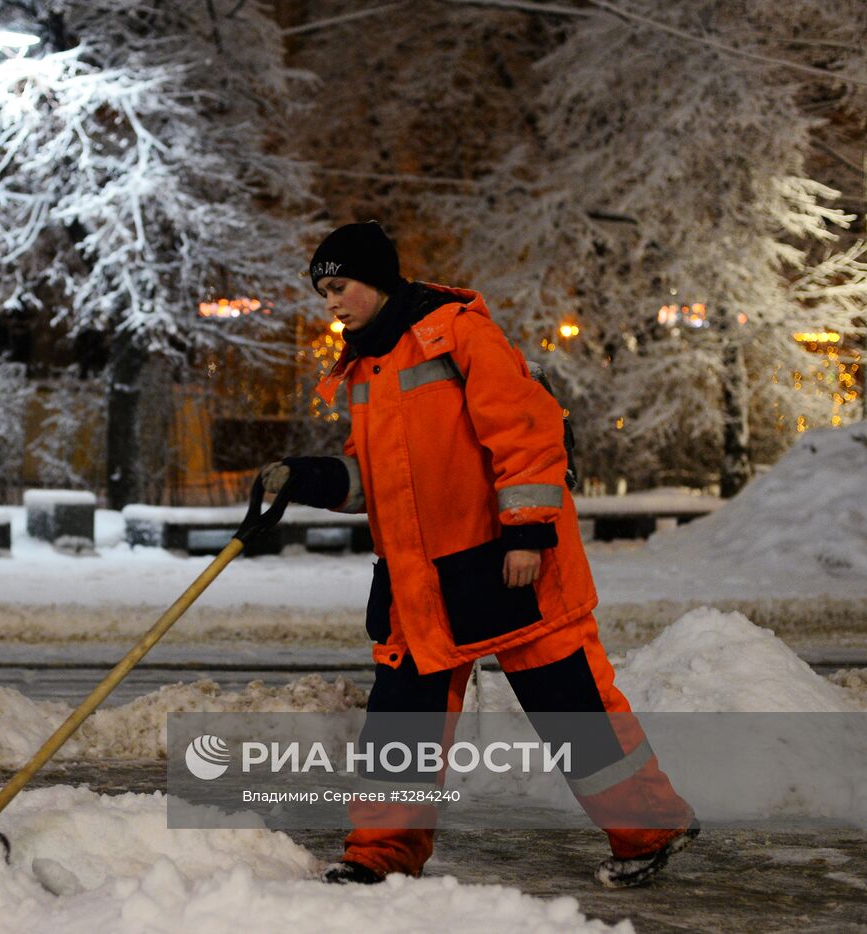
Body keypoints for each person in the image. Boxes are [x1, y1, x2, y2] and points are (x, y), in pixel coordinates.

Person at [262, 221, 697, 888]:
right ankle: (379, 855)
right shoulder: (361, 374)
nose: (331, 302)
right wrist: (314, 478)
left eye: (340, 285)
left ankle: (650, 831)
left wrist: (526, 531)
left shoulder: (457, 333)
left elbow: (526, 429)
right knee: (402, 718)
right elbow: (376, 483)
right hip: (421, 580)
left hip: (505, 561)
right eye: (324, 290)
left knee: (569, 703)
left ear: (376, 280)